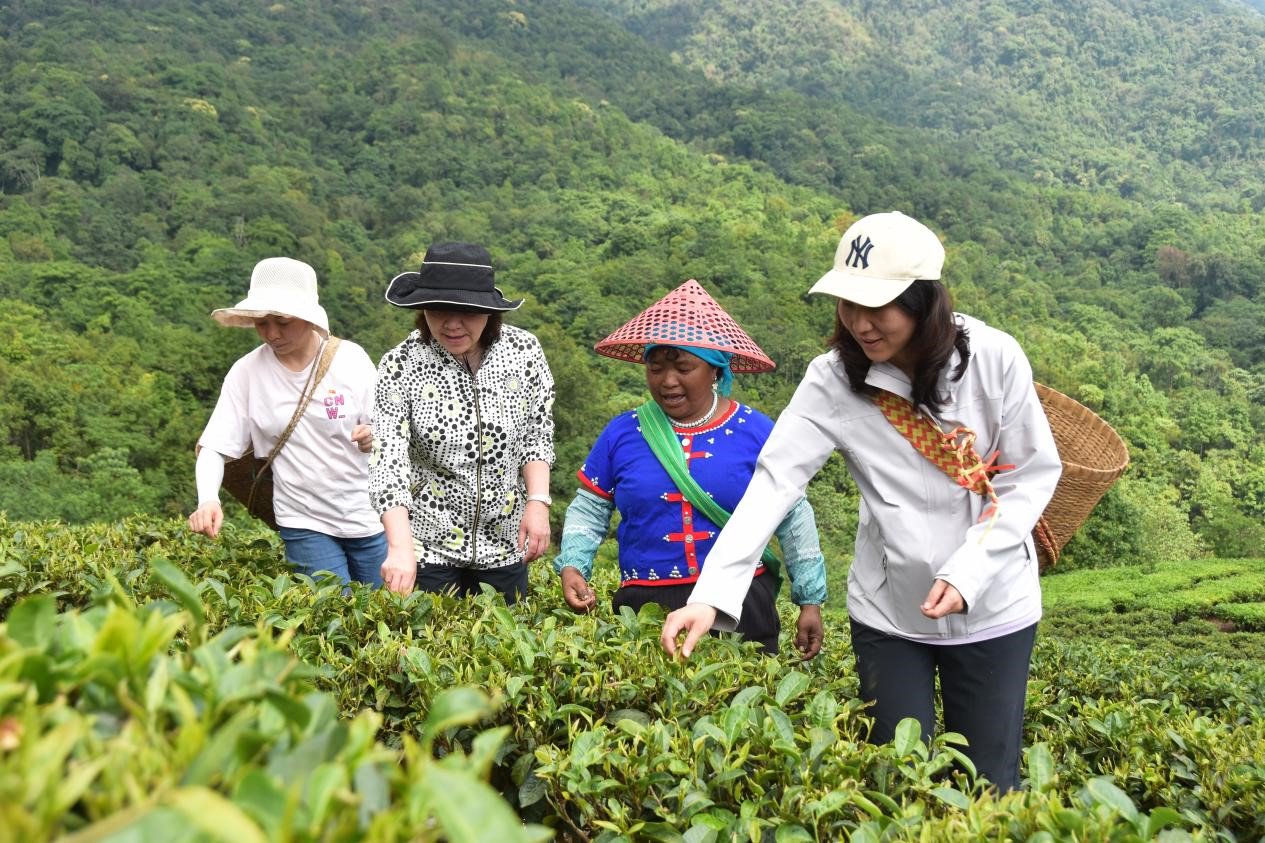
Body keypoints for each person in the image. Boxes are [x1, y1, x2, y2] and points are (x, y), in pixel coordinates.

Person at [661, 212, 1062, 791]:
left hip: (995, 602)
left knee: (990, 781)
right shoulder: (832, 378)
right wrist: (713, 594)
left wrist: (972, 568)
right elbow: (775, 481)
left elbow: (1030, 474)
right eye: (848, 305)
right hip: (889, 608)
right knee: (897, 778)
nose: (860, 324)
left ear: (924, 303)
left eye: (878, 307)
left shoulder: (994, 358)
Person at [555, 280, 827, 657]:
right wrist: (573, 565)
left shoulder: (757, 431)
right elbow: (590, 508)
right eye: (656, 368)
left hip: (740, 604)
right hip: (645, 609)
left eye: (684, 367)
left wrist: (809, 600)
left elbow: (793, 516)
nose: (668, 381)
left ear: (715, 370)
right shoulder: (622, 433)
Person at [371, 242, 555, 604]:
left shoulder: (523, 352)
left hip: (504, 543)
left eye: (467, 311)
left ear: (489, 312)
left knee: (504, 650)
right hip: (428, 545)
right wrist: (400, 546)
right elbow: (388, 461)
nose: (452, 324)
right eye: (438, 310)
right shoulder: (400, 364)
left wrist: (537, 502)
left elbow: (537, 432)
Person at [189, 257, 385, 587]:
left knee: (387, 615)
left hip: (368, 516)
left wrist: (372, 437)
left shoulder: (351, 361)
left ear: (308, 316)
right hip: (303, 519)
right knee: (334, 616)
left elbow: (388, 430)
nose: (271, 333)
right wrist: (208, 498)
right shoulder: (247, 373)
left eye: (282, 321)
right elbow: (214, 446)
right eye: (262, 323)